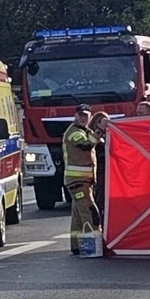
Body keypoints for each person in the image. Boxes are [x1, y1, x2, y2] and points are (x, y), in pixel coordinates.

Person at [62, 104, 101, 255]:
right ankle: (94, 245)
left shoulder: (85, 131)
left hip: (82, 181)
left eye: (86, 115)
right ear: (75, 116)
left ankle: (77, 246)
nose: (83, 118)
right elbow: (85, 145)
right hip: (77, 181)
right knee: (89, 211)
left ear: (90, 116)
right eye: (80, 115)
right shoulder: (74, 132)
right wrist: (100, 131)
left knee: (78, 215)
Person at [90, 111, 112, 223]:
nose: (108, 125)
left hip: (104, 172)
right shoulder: (95, 136)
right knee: (100, 198)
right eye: (105, 123)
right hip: (100, 172)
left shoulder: (104, 136)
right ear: (97, 123)